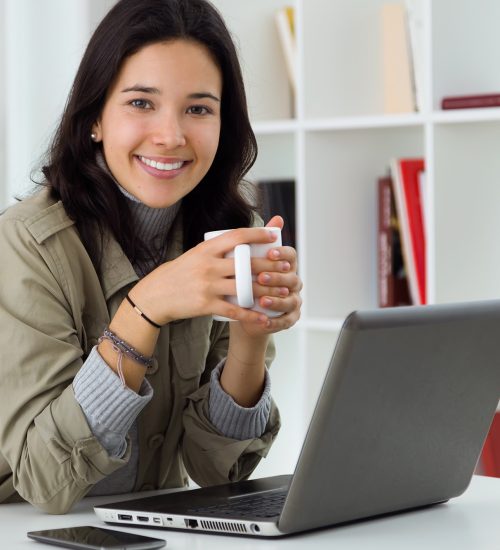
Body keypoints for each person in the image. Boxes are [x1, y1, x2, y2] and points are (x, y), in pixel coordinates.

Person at [0, 0, 302, 514]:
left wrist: (251, 338)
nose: (171, 136)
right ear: (95, 117)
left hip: (154, 530)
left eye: (199, 108)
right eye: (141, 103)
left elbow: (216, 474)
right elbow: (45, 480)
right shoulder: (25, 244)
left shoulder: (231, 237)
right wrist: (146, 308)